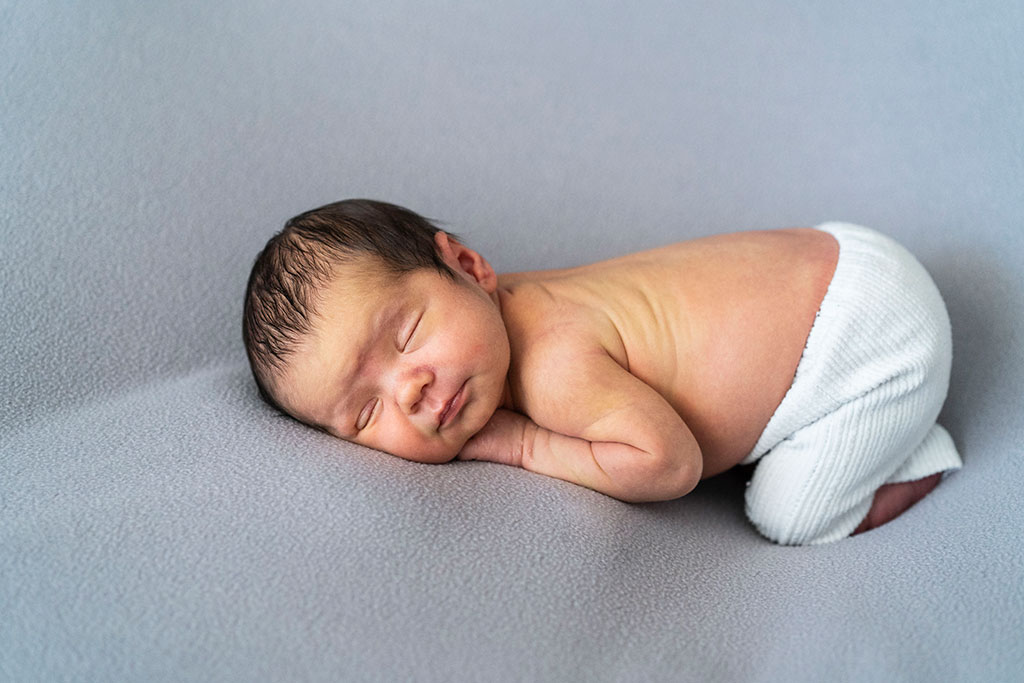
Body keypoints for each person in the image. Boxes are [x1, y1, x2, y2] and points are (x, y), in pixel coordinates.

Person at [242, 199, 962, 545]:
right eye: (365, 414)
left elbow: (670, 463)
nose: (410, 389)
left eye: (407, 332)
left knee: (786, 512)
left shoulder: (555, 366)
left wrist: (525, 445)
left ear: (467, 265)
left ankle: (909, 451)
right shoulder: (500, 305)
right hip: (835, 253)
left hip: (870, 337)